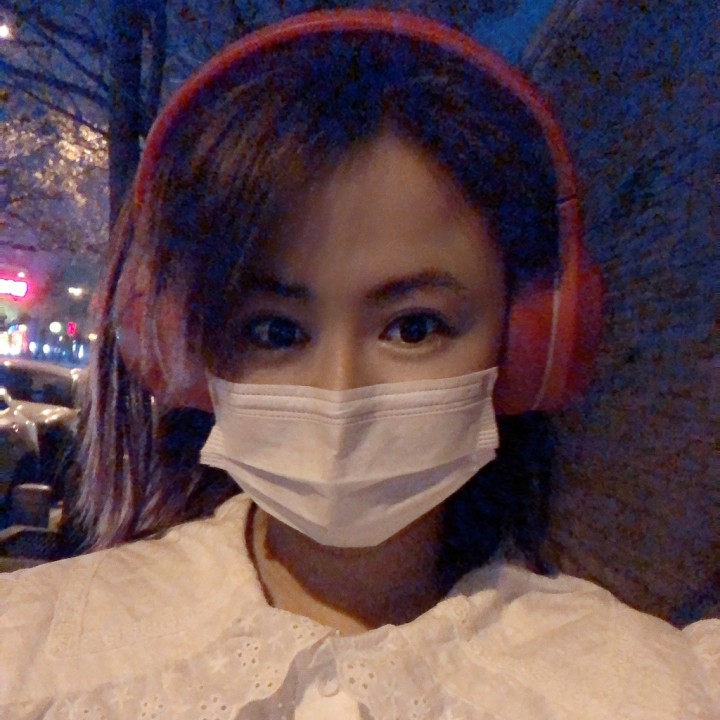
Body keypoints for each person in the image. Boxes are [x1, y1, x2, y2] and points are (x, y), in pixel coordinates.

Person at [1, 10, 717, 719]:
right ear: (182, 347)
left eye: (413, 327)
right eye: (276, 331)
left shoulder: (655, 692)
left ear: (529, 346)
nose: (340, 393)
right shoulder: (29, 654)